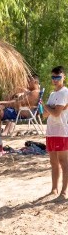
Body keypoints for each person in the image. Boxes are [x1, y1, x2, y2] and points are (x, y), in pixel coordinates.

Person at [47, 68, 68, 201]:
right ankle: (54, 189)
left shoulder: (65, 92)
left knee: (64, 162)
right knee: (53, 162)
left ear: (64, 77)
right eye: (53, 77)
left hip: (62, 131)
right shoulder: (51, 94)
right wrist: (47, 107)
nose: (55, 80)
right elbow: (45, 114)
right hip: (50, 131)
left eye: (58, 77)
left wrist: (47, 106)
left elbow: (56, 113)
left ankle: (64, 192)